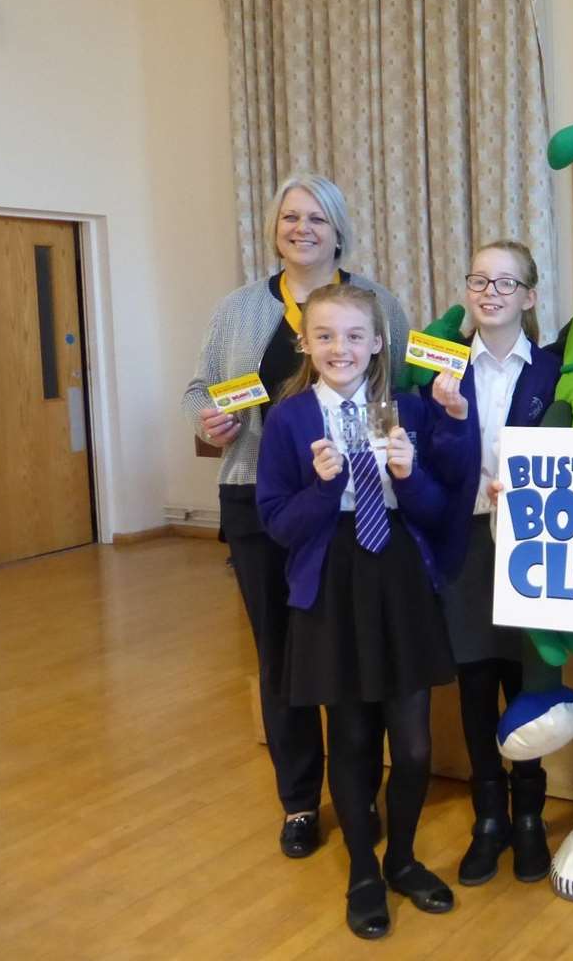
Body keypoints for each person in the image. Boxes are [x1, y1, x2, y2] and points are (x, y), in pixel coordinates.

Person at [182, 174, 409, 859]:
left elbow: (397, 389)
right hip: (257, 495)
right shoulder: (238, 309)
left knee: (349, 648)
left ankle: (360, 787)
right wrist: (207, 418)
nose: (302, 228)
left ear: (338, 230)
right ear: (275, 229)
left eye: (316, 218)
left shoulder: (378, 305)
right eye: (290, 217)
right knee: (280, 653)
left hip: (350, 502)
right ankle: (300, 802)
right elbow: (201, 386)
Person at [256, 282, 477, 940]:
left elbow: (438, 511)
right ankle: (361, 871)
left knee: (411, 747)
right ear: (304, 342)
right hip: (331, 583)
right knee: (351, 739)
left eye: (354, 335)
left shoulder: (403, 408)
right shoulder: (290, 419)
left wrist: (410, 476)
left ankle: (403, 859)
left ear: (378, 342)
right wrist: (324, 489)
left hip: (398, 579)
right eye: (324, 335)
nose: (339, 348)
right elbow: (278, 526)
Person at [413, 241, 560, 887]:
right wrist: (447, 419)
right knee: (475, 684)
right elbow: (427, 473)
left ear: (529, 296)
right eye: (479, 280)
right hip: (465, 543)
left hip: (535, 548)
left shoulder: (554, 367)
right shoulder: (438, 372)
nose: (491, 292)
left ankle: (529, 815)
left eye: (506, 283)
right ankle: (488, 819)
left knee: (528, 685)